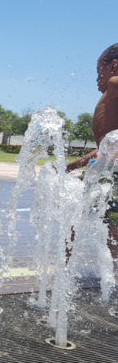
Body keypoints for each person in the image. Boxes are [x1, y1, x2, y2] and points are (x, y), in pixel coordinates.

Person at [66, 43, 118, 264]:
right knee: (90, 218)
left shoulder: (115, 83)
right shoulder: (110, 93)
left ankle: (64, 267)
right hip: (104, 169)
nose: (97, 79)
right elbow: (108, 146)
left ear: (114, 65)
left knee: (109, 224)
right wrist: (74, 164)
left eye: (99, 72)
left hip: (111, 172)